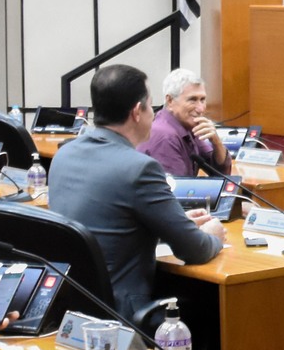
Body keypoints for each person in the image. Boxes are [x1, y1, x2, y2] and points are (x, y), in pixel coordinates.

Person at [47, 63, 224, 329]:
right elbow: (194, 250)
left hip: (73, 307)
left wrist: (174, 220)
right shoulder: (139, 168)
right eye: (151, 107)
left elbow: (109, 220)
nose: (155, 115)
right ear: (137, 112)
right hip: (124, 313)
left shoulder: (65, 155)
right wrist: (213, 235)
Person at [137, 68, 228, 177]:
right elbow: (177, 190)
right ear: (170, 101)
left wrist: (216, 142)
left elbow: (220, 173)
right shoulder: (166, 137)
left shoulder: (187, 125)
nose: (200, 108)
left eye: (202, 100)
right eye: (192, 100)